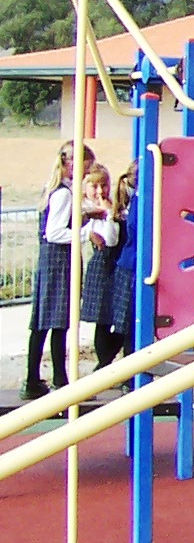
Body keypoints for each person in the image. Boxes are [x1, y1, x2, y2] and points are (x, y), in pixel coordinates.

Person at [23, 139, 94, 400]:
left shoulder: (54, 189)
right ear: (70, 164)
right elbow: (54, 232)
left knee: (44, 322)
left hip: (50, 260)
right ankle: (59, 379)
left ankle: (35, 377)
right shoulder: (64, 193)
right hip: (58, 259)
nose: (85, 174)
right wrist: (87, 231)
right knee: (57, 321)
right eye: (84, 168)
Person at [78, 163, 132, 375]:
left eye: (104, 185)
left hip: (117, 266)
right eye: (94, 186)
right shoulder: (86, 211)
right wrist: (105, 217)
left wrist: (111, 213)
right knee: (102, 319)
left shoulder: (117, 207)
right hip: (101, 267)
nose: (100, 191)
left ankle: (105, 364)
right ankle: (103, 364)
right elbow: (109, 240)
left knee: (120, 317)